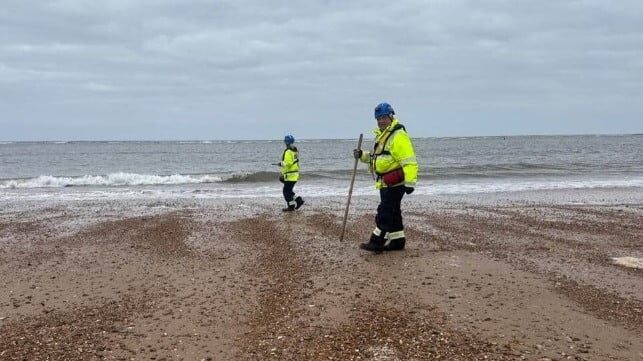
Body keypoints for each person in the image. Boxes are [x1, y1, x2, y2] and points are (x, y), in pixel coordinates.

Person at [353, 102, 418, 252]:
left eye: (383, 117)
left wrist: (410, 183)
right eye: (378, 118)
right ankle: (397, 241)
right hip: (385, 182)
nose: (381, 121)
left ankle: (376, 242)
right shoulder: (383, 136)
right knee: (393, 212)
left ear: (391, 116)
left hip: (395, 183)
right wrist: (361, 155)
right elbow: (376, 158)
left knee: (384, 212)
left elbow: (409, 160)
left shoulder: (398, 135)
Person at [276, 135, 305, 212]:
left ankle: (292, 206)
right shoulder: (295, 150)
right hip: (294, 174)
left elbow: (288, 163)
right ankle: (298, 201)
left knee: (286, 192)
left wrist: (281, 163)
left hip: (290, 175)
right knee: (289, 191)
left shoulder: (288, 151)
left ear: (286, 142)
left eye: (285, 141)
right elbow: (293, 162)